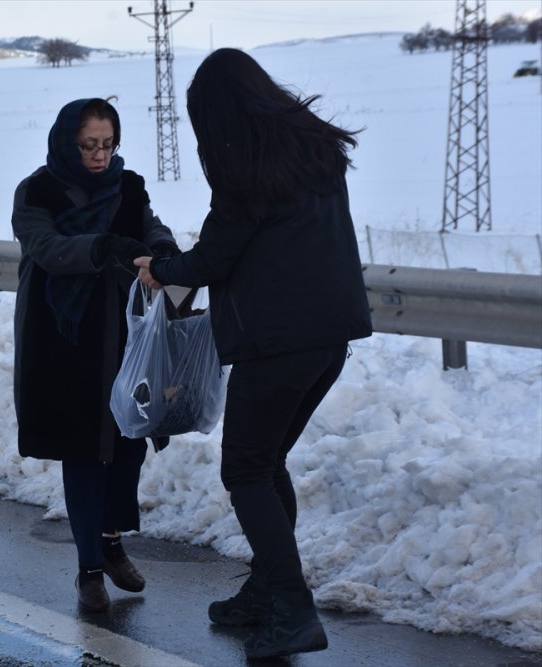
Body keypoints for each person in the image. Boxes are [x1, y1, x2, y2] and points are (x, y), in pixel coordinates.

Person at [135, 49, 372, 658]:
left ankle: (293, 611)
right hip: (328, 339)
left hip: (278, 344)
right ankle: (267, 593)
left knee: (245, 471)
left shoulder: (247, 170)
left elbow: (213, 259)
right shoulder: (313, 152)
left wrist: (158, 269)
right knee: (267, 466)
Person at [11, 97, 181, 613]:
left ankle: (111, 541)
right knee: (84, 451)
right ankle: (88, 569)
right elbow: (46, 248)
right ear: (68, 142)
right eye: (89, 145)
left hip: (127, 336)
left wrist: (165, 250)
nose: (100, 155)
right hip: (66, 339)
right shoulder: (37, 191)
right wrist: (103, 246)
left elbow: (149, 227)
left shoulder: (128, 186)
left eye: (107, 144)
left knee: (128, 443)